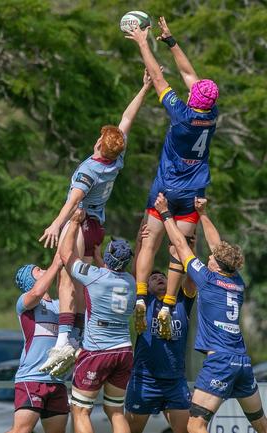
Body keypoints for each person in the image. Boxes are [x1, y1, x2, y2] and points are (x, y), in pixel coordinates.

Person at [39, 70, 153, 373]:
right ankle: (77, 338)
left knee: (67, 275)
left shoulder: (89, 169)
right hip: (96, 228)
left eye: (100, 138)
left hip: (80, 221)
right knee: (82, 282)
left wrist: (56, 224)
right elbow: (126, 119)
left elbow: (73, 200)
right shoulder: (116, 157)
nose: (98, 138)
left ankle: (64, 340)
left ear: (100, 145)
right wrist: (143, 89)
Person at [125, 17, 219, 339]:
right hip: (193, 193)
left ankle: (140, 297)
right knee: (181, 249)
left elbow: (157, 76)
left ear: (194, 99)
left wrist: (143, 42)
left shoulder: (182, 114)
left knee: (149, 242)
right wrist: (170, 41)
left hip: (166, 189)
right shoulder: (211, 116)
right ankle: (167, 305)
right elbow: (191, 76)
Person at [154, 192, 267, 433]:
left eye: (212, 258)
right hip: (242, 363)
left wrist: (165, 213)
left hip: (220, 363)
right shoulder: (236, 281)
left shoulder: (207, 279)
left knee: (195, 425)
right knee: (260, 424)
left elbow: (181, 245)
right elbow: (218, 247)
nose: (209, 257)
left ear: (216, 265)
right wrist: (203, 215)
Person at [58, 207, 136, 433]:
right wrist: (100, 255)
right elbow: (110, 272)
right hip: (123, 351)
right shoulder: (130, 281)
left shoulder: (94, 276)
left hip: (97, 351)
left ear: (109, 258)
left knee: (81, 410)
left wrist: (73, 223)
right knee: (115, 411)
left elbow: (66, 255)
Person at [125, 270, 196, 433]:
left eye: (163, 277)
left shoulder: (182, 301)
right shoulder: (144, 303)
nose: (159, 279)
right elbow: (137, 272)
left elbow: (191, 278)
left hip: (175, 381)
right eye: (154, 278)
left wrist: (188, 245)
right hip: (145, 379)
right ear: (146, 287)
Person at [7, 254, 69, 433]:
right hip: (31, 378)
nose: (44, 270)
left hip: (57, 380)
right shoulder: (25, 302)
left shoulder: (59, 306)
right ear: (29, 280)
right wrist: (56, 263)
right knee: (22, 430)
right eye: (38, 270)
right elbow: (36, 292)